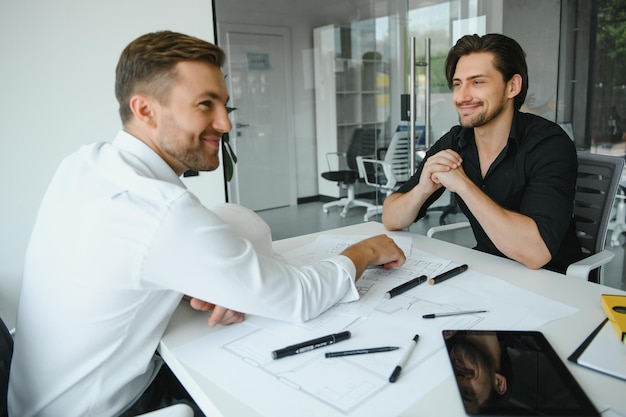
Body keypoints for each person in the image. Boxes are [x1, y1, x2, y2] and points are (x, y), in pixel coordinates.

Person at [8, 31, 406, 417]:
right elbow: (298, 298)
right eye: (204, 104)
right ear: (144, 109)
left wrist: (191, 282)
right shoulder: (162, 211)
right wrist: (366, 249)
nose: (226, 124)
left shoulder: (85, 162)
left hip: (34, 397)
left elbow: (115, 260)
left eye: (224, 105)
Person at [382, 33, 582, 273]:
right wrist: (422, 190)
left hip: (552, 284)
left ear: (512, 86)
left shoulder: (549, 144)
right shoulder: (455, 141)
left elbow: (536, 253)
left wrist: (464, 186)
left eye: (477, 82)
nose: (462, 96)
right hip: (488, 273)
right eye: (458, 84)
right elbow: (391, 219)